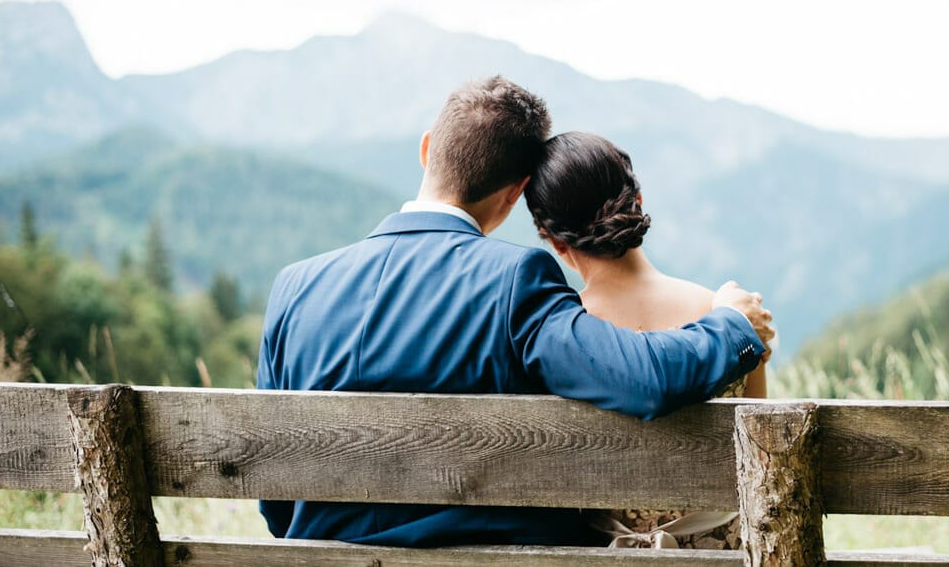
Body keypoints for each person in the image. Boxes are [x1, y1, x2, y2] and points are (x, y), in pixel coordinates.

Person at [256, 76, 774, 547]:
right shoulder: (514, 282)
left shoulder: (294, 287)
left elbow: (276, 506)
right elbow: (643, 377)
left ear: (427, 149)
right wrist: (732, 326)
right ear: (516, 195)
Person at [524, 131, 770, 549]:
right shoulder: (730, 317)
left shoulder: (559, 337)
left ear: (555, 241)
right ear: (637, 202)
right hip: (723, 555)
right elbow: (759, 451)